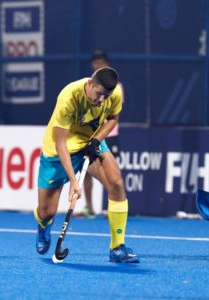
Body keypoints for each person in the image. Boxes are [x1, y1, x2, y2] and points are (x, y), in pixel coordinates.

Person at [34, 66, 139, 263]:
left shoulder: (113, 92)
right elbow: (60, 143)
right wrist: (74, 182)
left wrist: (97, 140)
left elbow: (113, 118)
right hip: (58, 152)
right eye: (99, 94)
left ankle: (117, 247)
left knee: (116, 183)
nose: (102, 100)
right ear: (90, 84)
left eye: (105, 96)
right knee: (46, 211)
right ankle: (43, 226)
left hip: (90, 142)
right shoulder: (69, 97)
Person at [79, 51, 124, 218]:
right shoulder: (90, 87)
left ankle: (114, 202)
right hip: (89, 135)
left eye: (102, 63)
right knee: (86, 171)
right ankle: (89, 207)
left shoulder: (115, 88)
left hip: (108, 136)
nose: (98, 65)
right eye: (96, 63)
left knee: (108, 173)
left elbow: (112, 114)